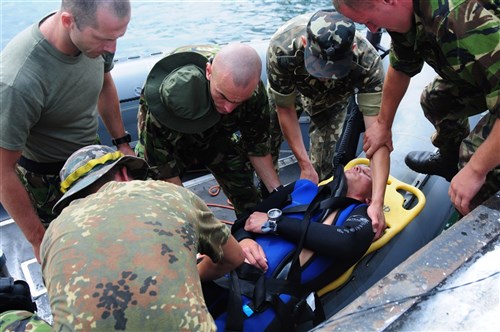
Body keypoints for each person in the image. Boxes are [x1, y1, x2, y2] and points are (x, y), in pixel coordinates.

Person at [14, 145, 243, 331]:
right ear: (124, 173)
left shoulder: (53, 233)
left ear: (72, 196)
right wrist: (191, 273)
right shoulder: (169, 193)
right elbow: (234, 258)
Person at [333, 0, 500, 216]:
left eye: (370, 21)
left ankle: (480, 230)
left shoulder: (457, 17)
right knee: (435, 99)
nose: (373, 29)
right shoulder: (403, 16)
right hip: (488, 76)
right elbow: (401, 66)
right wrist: (383, 125)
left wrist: (476, 170)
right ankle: (450, 162)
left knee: (475, 160)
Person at [0, 0, 135, 263]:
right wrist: (38, 239)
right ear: (67, 22)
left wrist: (122, 142)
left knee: (111, 240)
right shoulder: (19, 80)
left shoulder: (98, 37)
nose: (112, 48)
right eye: (105, 39)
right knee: (73, 258)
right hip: (49, 178)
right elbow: (2, 170)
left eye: (118, 37)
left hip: (92, 158)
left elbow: (105, 83)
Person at [203, 164, 376, 330]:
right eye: (358, 167)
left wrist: (275, 222)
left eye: (368, 174)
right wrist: (244, 239)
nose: (359, 167)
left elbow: (346, 243)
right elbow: (247, 219)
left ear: (370, 199)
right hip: (224, 270)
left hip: (264, 299)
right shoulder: (303, 188)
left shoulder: (362, 214)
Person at [266, 9, 389, 236]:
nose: (324, 76)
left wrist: (377, 202)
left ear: (352, 50)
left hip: (331, 103)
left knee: (322, 169)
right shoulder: (282, 49)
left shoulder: (367, 62)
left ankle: (312, 222)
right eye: (318, 66)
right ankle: (271, 198)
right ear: (304, 43)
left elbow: (377, 134)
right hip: (291, 93)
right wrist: (303, 164)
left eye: (333, 69)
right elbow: (285, 109)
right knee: (268, 139)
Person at [135, 43, 282, 217]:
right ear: (208, 71)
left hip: (217, 137)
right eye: (223, 96)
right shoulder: (168, 101)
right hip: (171, 144)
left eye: (238, 102)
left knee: (247, 195)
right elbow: (165, 170)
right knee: (166, 209)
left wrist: (278, 193)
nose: (228, 108)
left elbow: (257, 147)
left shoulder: (252, 92)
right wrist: (203, 221)